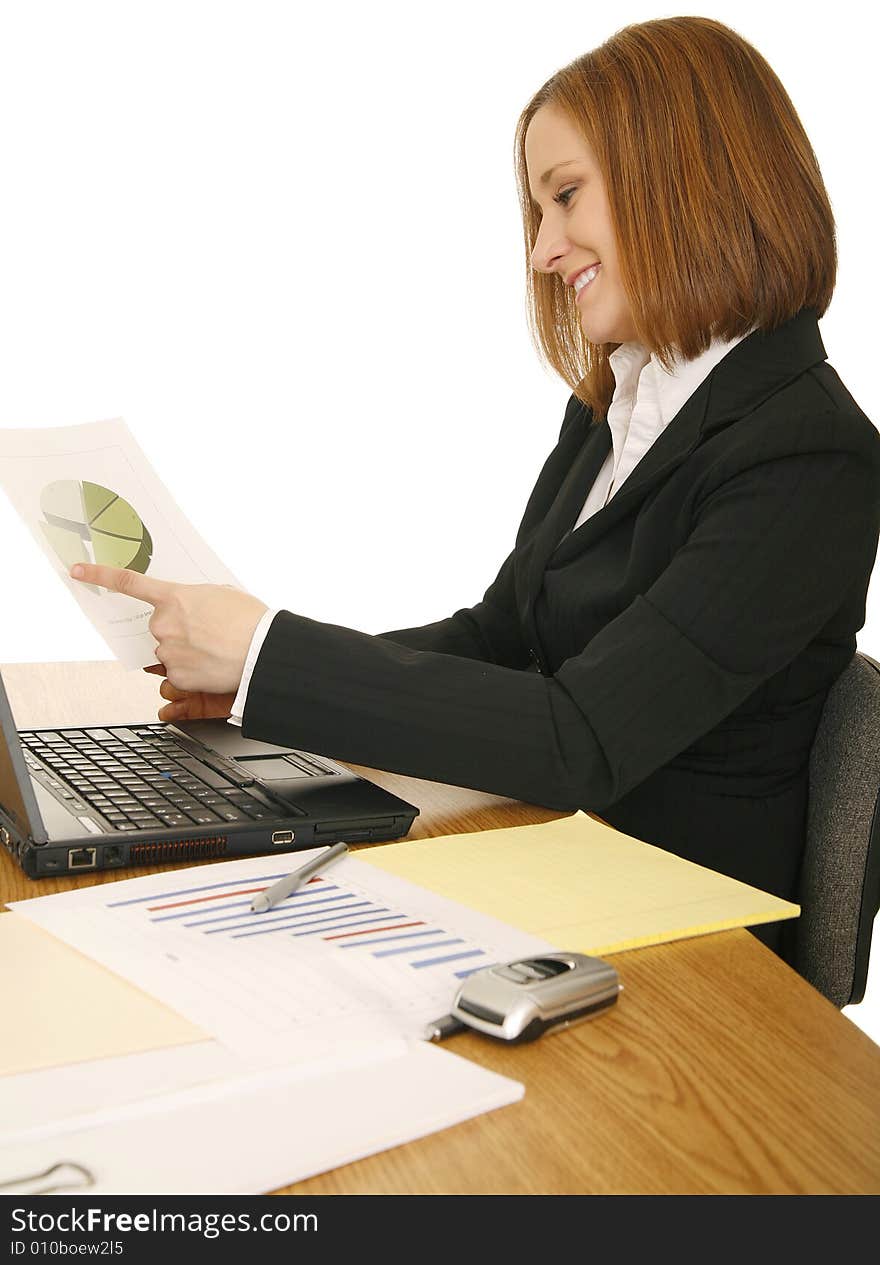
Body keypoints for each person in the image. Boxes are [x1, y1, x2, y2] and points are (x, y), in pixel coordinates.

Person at [71, 15, 880, 966]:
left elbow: (581, 736)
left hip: (693, 962)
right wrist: (255, 686)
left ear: (684, 178)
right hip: (566, 875)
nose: (544, 248)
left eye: (566, 196)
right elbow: (504, 640)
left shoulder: (810, 455)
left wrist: (265, 653)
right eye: (540, 210)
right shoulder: (620, 404)